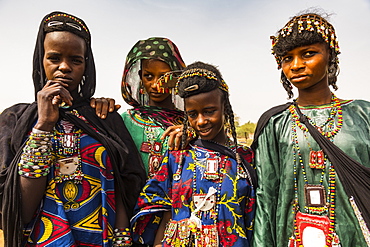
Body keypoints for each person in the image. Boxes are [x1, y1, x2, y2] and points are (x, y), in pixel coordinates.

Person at [0, 11, 145, 246]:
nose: (65, 67)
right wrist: (44, 125)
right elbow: (22, 210)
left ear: (87, 65)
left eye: (76, 60)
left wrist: (122, 240)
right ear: (41, 60)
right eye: (54, 58)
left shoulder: (104, 118)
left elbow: (124, 187)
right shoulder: (16, 120)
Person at [252, 11, 370, 246]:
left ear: (330, 55)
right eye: (287, 58)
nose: (296, 65)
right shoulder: (274, 122)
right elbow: (266, 199)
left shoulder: (363, 114)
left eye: (308, 54)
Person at [130, 61, 257, 247]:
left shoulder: (244, 158)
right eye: (192, 114)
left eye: (209, 111)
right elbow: (163, 211)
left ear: (225, 106)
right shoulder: (177, 156)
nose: (201, 121)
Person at [116, 37, 186, 179]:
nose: (155, 85)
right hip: (133, 199)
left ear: (176, 77)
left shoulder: (189, 123)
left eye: (164, 77)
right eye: (148, 76)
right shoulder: (125, 120)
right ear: (140, 76)